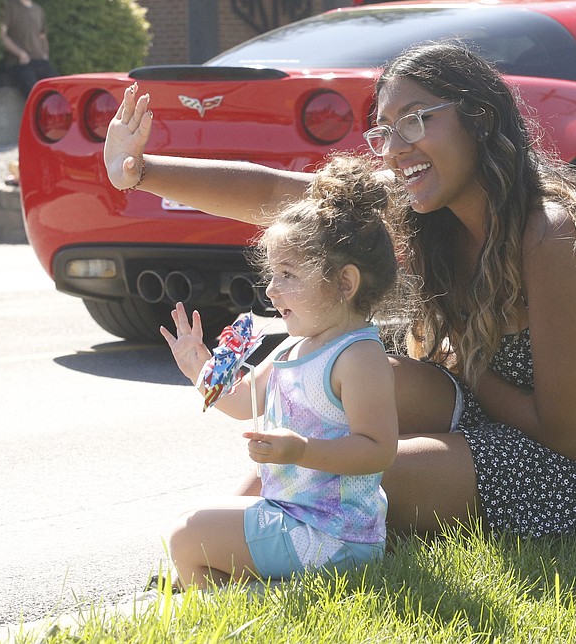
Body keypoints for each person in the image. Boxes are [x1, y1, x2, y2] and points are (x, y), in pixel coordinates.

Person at [104, 40, 576, 539]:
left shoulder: (556, 237)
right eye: (385, 131)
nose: (396, 146)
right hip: (493, 415)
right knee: (334, 385)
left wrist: (462, 364)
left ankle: (245, 543)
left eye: (416, 120)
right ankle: (228, 538)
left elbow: (568, 436)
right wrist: (140, 170)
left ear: (479, 118)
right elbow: (282, 195)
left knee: (345, 477)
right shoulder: (429, 209)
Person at [159, 154, 401, 589]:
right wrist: (198, 366)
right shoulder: (295, 346)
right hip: (294, 515)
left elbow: (378, 449)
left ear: (345, 283)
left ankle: (246, 601)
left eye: (288, 274)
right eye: (273, 274)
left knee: (186, 536)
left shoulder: (357, 356)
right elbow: (237, 401)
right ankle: (255, 595)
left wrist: (301, 450)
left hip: (335, 537)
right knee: (186, 524)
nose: (271, 288)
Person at [0, 0, 58, 97]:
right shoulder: (10, 6)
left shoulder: (39, 10)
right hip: (20, 63)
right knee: (35, 96)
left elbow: (42, 36)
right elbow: (1, 35)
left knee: (59, 91)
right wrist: (20, 53)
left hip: (41, 61)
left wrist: (45, 54)